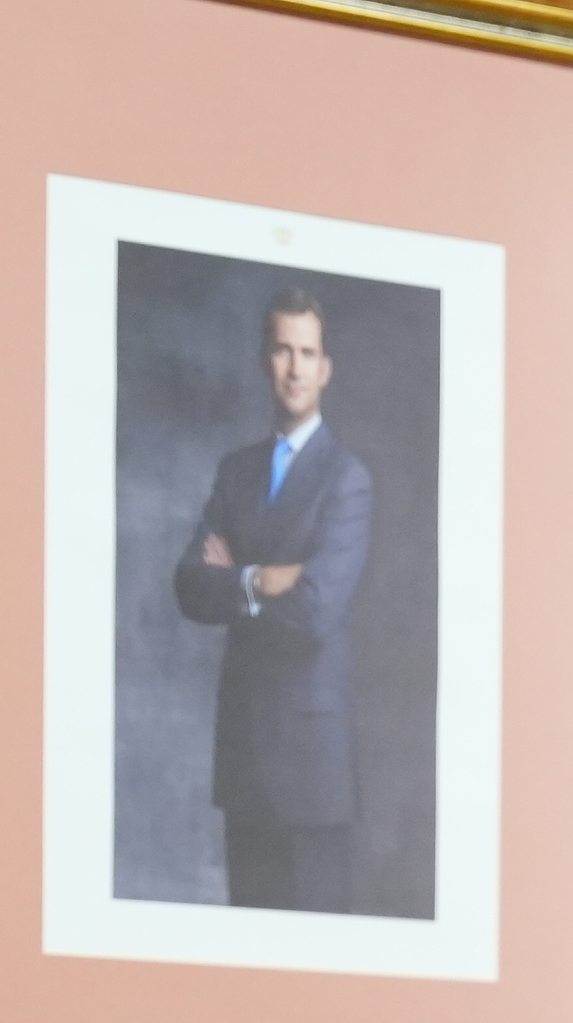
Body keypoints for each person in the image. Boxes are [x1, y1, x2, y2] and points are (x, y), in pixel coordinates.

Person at [171, 285, 374, 914]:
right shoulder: (236, 472)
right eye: (282, 350)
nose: (294, 367)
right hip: (245, 763)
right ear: (266, 359)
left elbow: (314, 612)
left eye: (307, 353)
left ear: (326, 368)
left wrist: (236, 578)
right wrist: (262, 579)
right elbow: (190, 585)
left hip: (312, 775)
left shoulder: (347, 479)